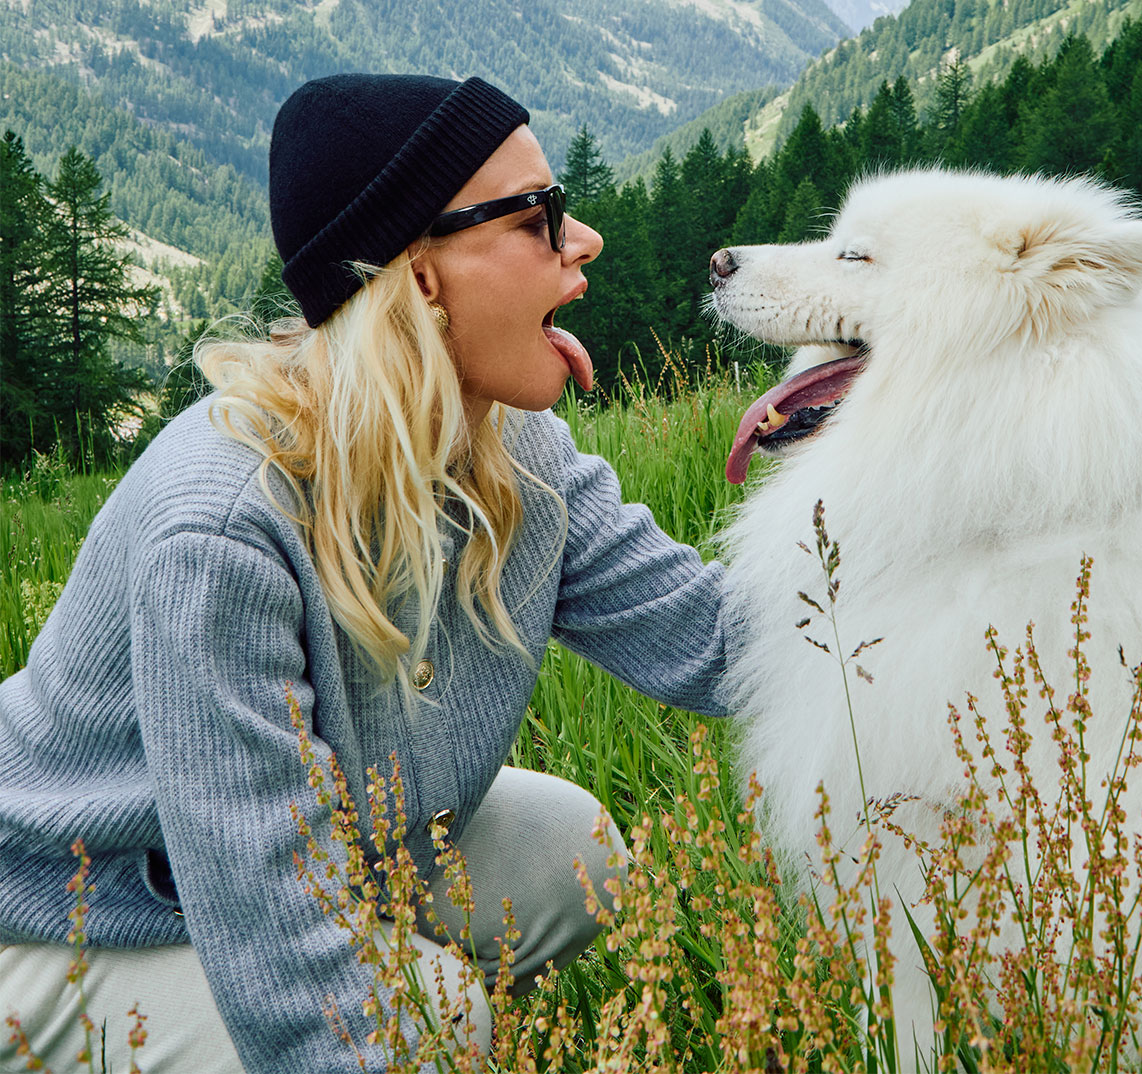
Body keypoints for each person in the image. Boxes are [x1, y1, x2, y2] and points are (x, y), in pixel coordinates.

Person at [0, 74, 735, 1073]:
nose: (584, 240)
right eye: (538, 218)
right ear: (421, 280)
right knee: (426, 1017)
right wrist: (391, 1025)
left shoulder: (520, 456)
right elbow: (270, 923)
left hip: (335, 849)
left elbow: (719, 638)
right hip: (67, 913)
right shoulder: (221, 531)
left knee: (581, 856)